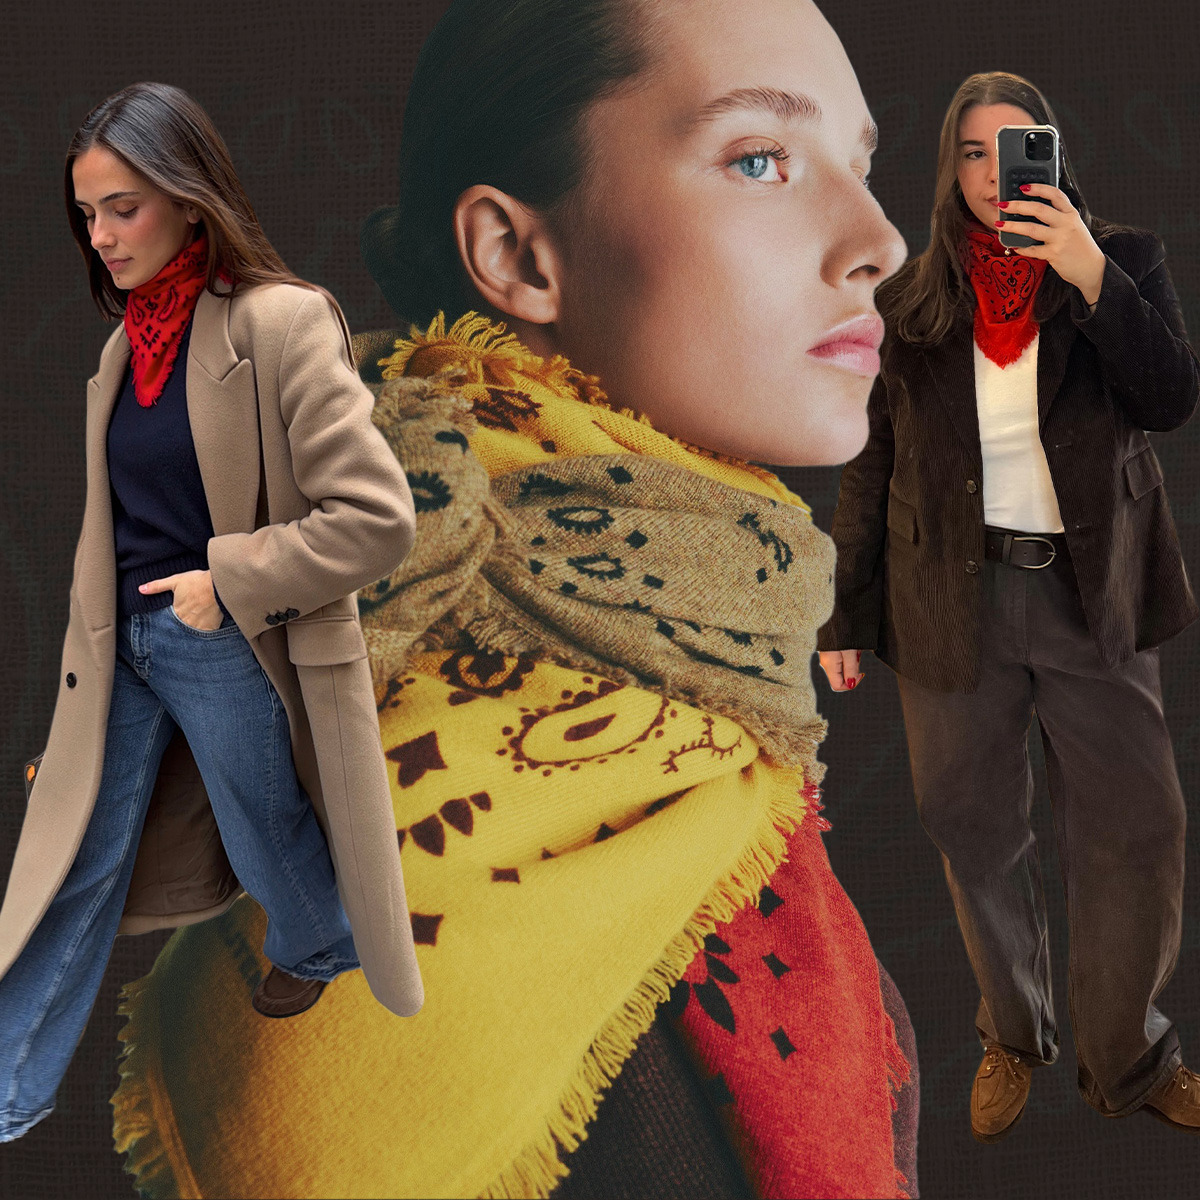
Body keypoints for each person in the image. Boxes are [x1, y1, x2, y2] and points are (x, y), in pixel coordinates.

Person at [107, 4, 919, 1197]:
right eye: (761, 159)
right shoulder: (377, 637)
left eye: (862, 163)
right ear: (518, 256)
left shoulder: (720, 694)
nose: (878, 240)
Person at [0, 82, 424, 1145]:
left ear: (190, 199)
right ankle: (10, 1095)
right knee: (71, 865)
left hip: (219, 633)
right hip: (118, 652)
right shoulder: (115, 357)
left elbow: (376, 519)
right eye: (87, 214)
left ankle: (319, 941)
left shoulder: (281, 323)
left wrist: (226, 580)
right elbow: (111, 538)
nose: (100, 236)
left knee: (266, 827)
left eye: (124, 208)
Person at [817, 69, 1200, 1143]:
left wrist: (1087, 277)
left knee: (1138, 829)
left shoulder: (1122, 261)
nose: (996, 175)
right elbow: (868, 464)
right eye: (976, 154)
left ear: (1054, 156)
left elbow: (1171, 398)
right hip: (952, 600)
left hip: (1093, 595)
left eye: (1017, 149)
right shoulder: (909, 303)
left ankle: (1127, 1056)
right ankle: (1012, 1030)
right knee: (970, 825)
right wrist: (843, 614)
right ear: (952, 168)